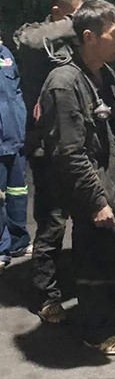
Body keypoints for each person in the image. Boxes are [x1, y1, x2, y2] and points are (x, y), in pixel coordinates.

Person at [39, 0, 115, 355]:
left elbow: (111, 130)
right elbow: (69, 152)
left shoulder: (104, 74)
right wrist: (96, 202)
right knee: (96, 263)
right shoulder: (64, 84)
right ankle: (96, 331)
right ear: (90, 36)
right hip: (93, 189)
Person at [14, 0, 94, 322]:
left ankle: (88, 285)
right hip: (47, 148)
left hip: (80, 142)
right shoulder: (37, 36)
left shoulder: (78, 40)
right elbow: (27, 40)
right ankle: (46, 294)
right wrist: (74, 24)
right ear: (59, 12)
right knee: (52, 222)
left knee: (90, 215)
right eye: (77, 14)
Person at [0, 38, 30, 270]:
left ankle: (19, 242)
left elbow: (17, 90)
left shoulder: (6, 54)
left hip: (15, 136)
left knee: (18, 193)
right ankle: (2, 248)